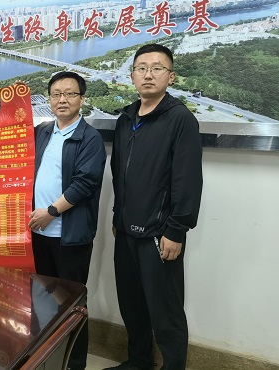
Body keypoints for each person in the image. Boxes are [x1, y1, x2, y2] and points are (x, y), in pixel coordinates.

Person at [106, 44, 202, 370]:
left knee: (166, 312)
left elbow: (187, 180)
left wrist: (176, 230)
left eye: (157, 68)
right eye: (141, 68)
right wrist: (118, 215)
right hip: (126, 230)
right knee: (132, 305)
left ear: (170, 76)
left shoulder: (180, 119)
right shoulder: (126, 119)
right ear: (132, 75)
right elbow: (119, 174)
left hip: (159, 235)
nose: (148, 74)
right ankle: (139, 362)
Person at [28, 71, 106, 370]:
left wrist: (50, 212)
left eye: (70, 94)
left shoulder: (89, 138)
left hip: (69, 236)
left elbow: (84, 184)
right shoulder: (43, 131)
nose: (62, 99)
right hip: (38, 234)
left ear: (81, 99)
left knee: (72, 304)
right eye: (56, 94)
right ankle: (48, 358)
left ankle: (74, 364)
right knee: (43, 300)